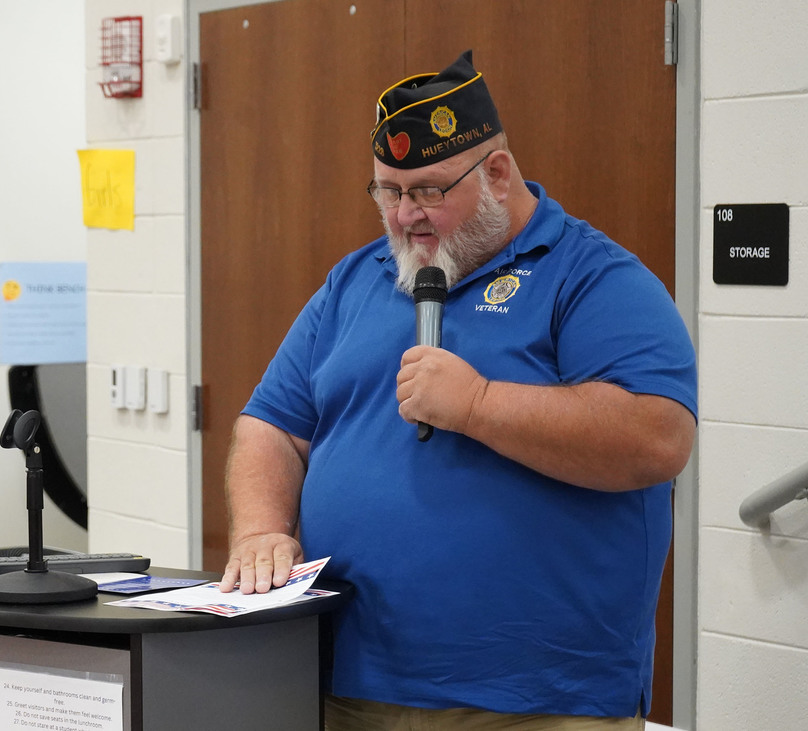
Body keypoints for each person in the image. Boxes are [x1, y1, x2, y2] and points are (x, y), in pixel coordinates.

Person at [220, 50, 697, 730]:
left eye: (428, 191)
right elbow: (273, 424)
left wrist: (477, 405)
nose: (404, 215)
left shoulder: (594, 278)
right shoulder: (351, 284)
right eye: (388, 191)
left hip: (537, 698)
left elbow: (657, 437)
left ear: (498, 173)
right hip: (348, 680)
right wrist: (262, 528)